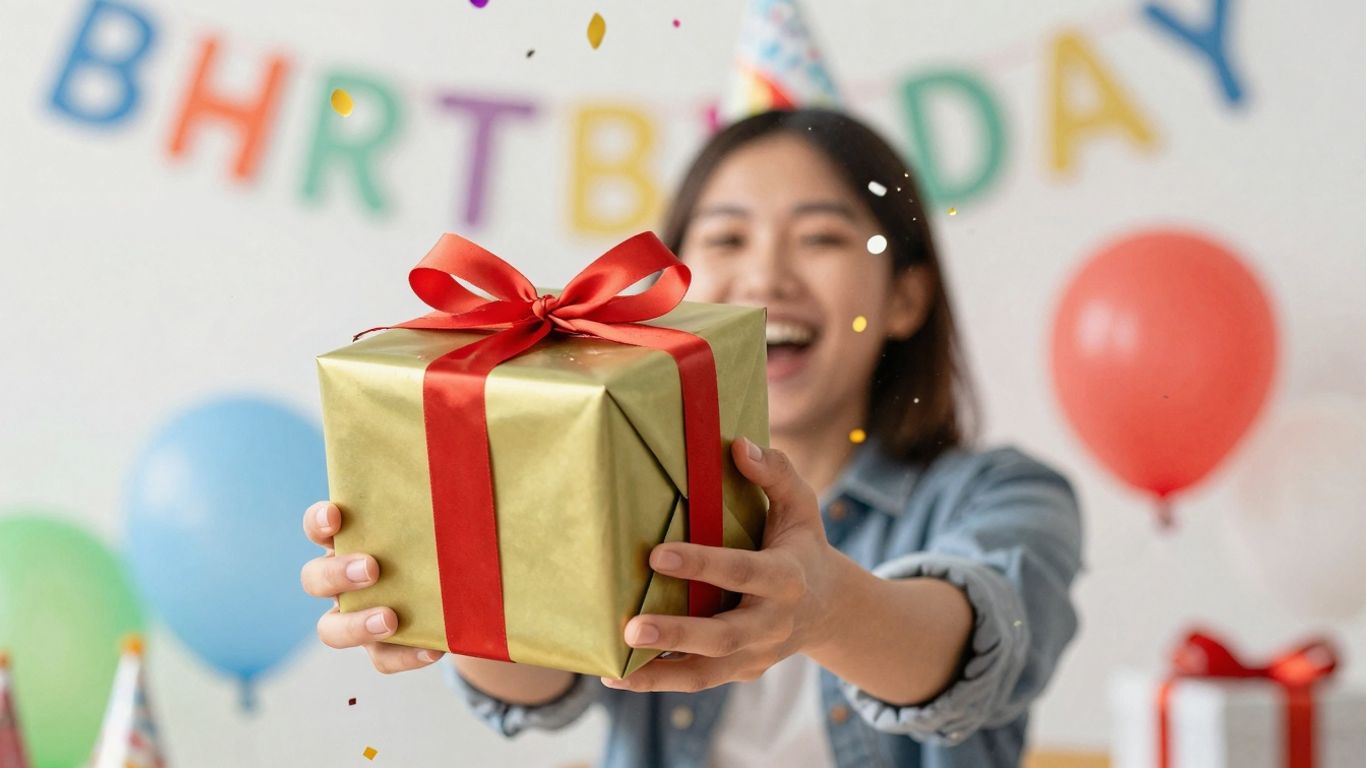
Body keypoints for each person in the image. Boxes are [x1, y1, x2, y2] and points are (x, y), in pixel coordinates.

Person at [300, 108, 1083, 767]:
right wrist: (454, 593)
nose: (767, 277)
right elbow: (539, 684)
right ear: (671, 300)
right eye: (727, 239)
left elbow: (987, 638)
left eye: (822, 238)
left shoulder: (1008, 494)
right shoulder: (622, 477)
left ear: (906, 298)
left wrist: (826, 608)